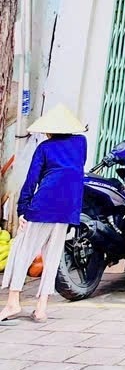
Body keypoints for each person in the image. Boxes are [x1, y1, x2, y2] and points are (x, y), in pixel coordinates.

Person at [1, 104, 87, 324]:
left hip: (43, 206)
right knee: (52, 256)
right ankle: (41, 308)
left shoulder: (44, 148)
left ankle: (13, 302)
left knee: (21, 251)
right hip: (68, 209)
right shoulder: (81, 143)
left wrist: (22, 208)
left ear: (49, 130)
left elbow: (32, 180)